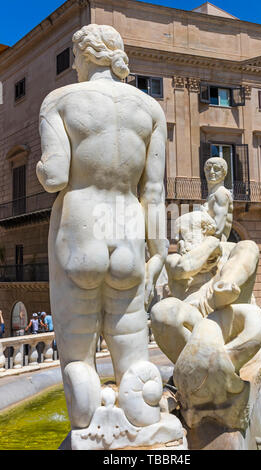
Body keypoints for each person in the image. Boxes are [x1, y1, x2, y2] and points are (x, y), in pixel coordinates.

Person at [36, 24, 168, 431]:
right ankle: (141, 428)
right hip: (127, 232)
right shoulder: (150, 110)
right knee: (134, 363)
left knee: (78, 362)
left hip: (80, 231)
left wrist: (41, 168)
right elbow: (156, 191)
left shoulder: (59, 101)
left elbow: (56, 175)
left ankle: (88, 425)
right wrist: (159, 252)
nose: (73, 64)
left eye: (74, 57)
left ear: (85, 55)